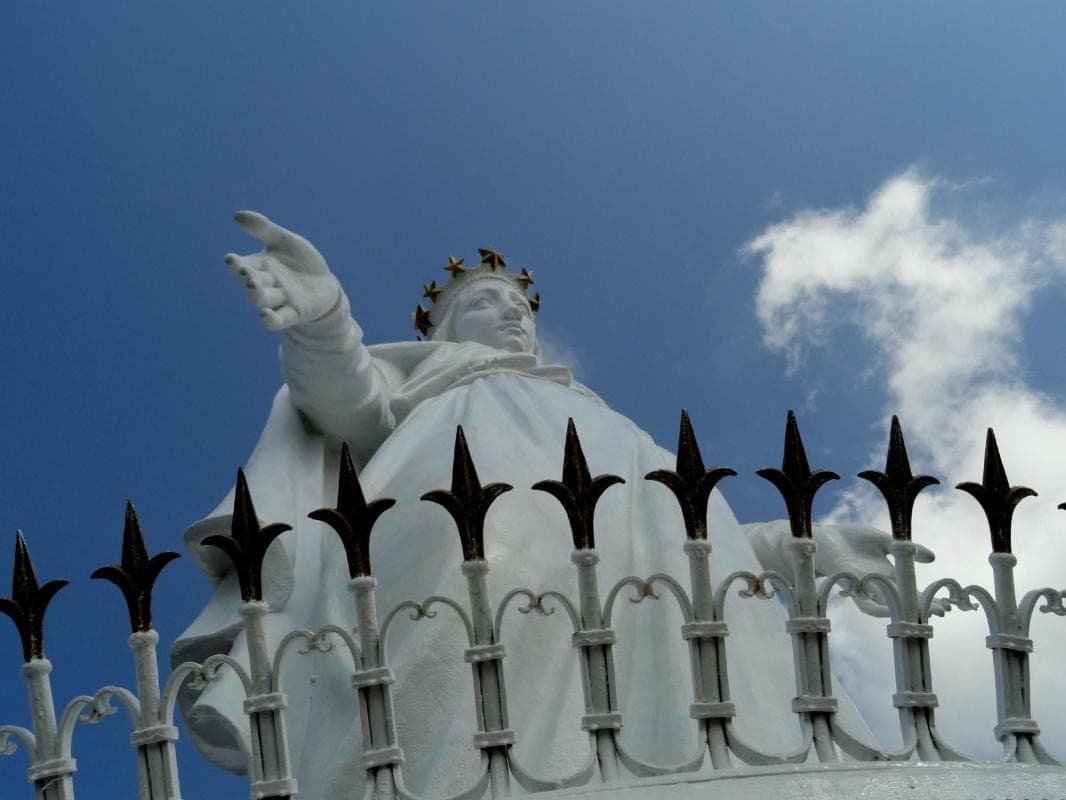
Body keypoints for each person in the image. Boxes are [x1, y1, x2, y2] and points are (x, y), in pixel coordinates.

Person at [173, 212, 909, 799]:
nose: (512, 315)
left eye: (520, 305)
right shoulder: (430, 382)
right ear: (440, 330)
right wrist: (323, 318)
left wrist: (793, 544)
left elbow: (683, 526)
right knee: (453, 676)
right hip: (462, 529)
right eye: (485, 303)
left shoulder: (597, 414)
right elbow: (344, 397)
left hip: (631, 587)